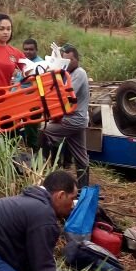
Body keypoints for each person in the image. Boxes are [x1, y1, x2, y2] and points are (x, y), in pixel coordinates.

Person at [41, 45, 90, 186]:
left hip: (73, 120)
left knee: (44, 132)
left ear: (77, 60)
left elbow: (64, 96)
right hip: (77, 120)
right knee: (81, 158)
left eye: (70, 60)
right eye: (64, 60)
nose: (67, 63)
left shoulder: (79, 73)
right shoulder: (66, 73)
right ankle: (83, 188)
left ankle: (45, 168)